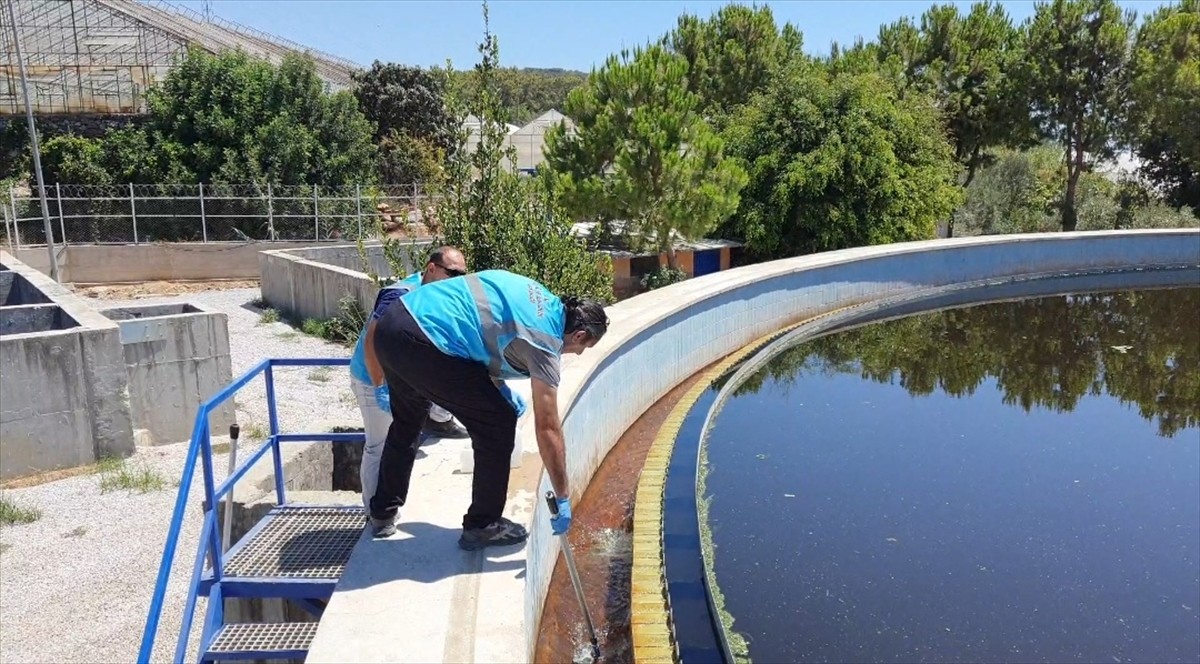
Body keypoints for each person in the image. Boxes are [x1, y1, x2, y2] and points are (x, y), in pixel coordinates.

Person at [367, 268, 610, 550]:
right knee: (498, 423)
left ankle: (383, 511)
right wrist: (563, 495)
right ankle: (483, 524)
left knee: (407, 420)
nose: (576, 354)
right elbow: (547, 427)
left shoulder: (539, 296)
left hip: (394, 323)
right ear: (579, 335)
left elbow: (482, 330)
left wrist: (498, 388)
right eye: (582, 348)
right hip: (427, 341)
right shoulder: (544, 342)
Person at [348, 245, 470, 512]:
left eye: (462, 275)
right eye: (453, 273)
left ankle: (439, 419)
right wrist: (380, 386)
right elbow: (372, 342)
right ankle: (373, 513)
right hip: (373, 376)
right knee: (379, 446)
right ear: (431, 268)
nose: (458, 281)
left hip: (403, 376)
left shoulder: (440, 294)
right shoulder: (398, 294)